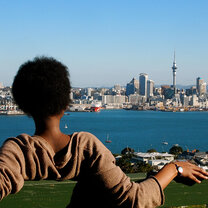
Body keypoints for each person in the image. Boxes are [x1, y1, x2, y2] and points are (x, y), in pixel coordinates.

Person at [0, 56, 207, 208]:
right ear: (66, 104)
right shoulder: (86, 146)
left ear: (23, 107)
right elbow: (134, 199)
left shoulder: (16, 151)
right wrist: (174, 168)